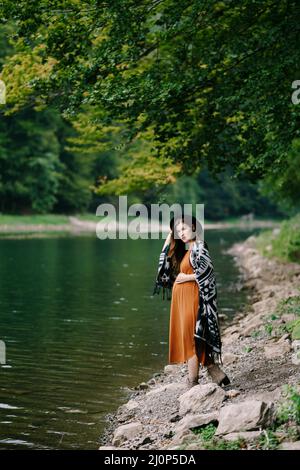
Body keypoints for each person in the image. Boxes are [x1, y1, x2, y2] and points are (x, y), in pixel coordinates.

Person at [153, 214, 230, 388]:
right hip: (180, 300)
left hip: (194, 298)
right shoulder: (184, 250)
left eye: (184, 228)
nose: (182, 233)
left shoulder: (199, 247)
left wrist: (186, 278)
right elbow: (163, 270)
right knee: (191, 337)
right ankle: (213, 369)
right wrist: (168, 238)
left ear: (194, 227)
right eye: (178, 231)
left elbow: (208, 275)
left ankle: (192, 382)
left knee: (192, 338)